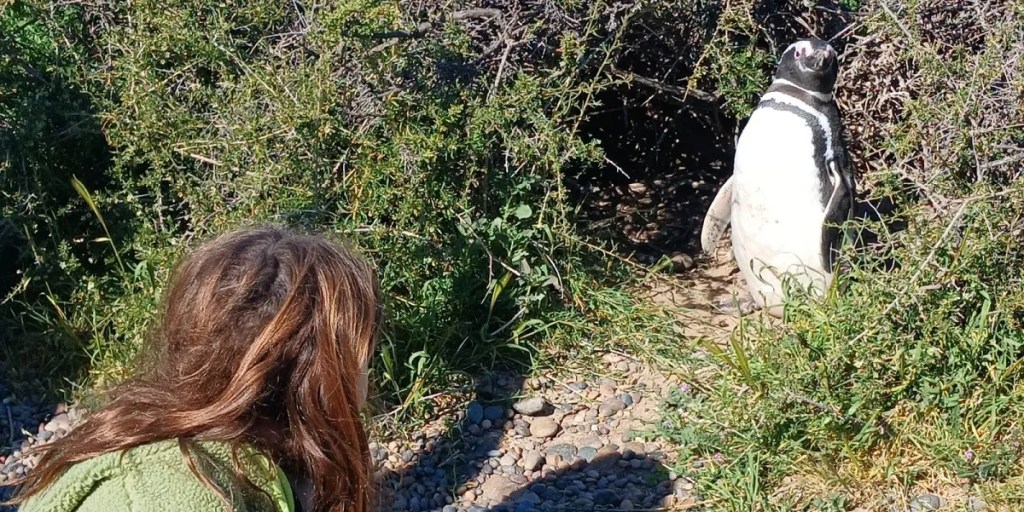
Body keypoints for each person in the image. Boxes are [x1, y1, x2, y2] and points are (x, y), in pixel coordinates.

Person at [5, 225, 382, 512]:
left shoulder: (265, 466)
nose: (368, 366)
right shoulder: (164, 494)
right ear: (316, 367)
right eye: (361, 347)